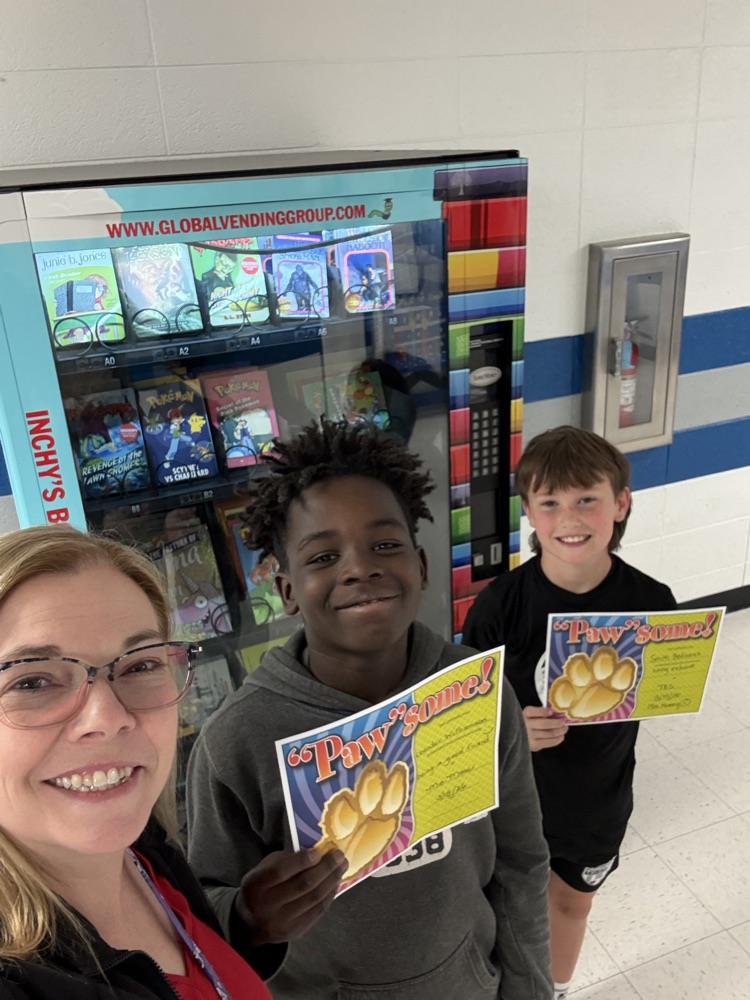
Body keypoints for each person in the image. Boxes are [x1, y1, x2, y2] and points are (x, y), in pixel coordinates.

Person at [187, 418, 553, 1000]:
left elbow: (521, 860)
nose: (360, 567)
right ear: (286, 591)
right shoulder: (238, 740)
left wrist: (529, 988)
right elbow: (202, 906)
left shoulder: (479, 692)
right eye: (323, 556)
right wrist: (249, 919)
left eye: (385, 544)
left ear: (421, 566)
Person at [0, 524, 343, 1000]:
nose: (108, 718)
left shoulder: (146, 850)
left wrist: (245, 930)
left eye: (140, 665)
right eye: (32, 682)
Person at [462, 426, 677, 1000]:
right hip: (508, 798)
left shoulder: (653, 604)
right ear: (528, 511)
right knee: (497, 899)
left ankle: (553, 989)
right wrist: (509, 731)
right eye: (551, 502)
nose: (570, 518)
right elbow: (463, 717)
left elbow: (660, 690)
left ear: (621, 503)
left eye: (587, 499)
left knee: (569, 903)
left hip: (594, 797)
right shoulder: (498, 606)